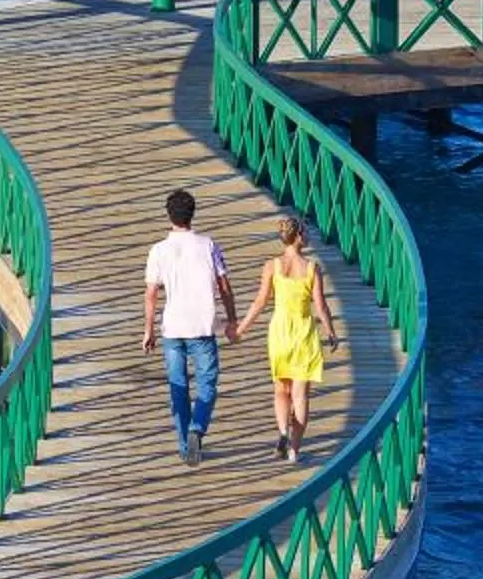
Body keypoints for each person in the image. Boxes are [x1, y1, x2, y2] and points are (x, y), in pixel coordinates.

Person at [235, 213, 339, 465]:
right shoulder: (313, 269)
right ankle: (294, 450)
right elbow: (321, 306)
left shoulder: (272, 266)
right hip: (303, 332)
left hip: (280, 331)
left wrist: (241, 329)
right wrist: (331, 332)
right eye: (307, 231)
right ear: (300, 237)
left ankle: (282, 431)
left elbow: (261, 301)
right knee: (301, 396)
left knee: (281, 389)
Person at [142, 188, 234, 464]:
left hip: (172, 327)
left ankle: (185, 446)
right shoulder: (208, 245)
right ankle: (198, 427)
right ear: (192, 214)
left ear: (168, 215)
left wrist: (148, 329)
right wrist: (231, 319)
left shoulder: (158, 250)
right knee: (207, 384)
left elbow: (151, 293)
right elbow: (224, 286)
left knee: (178, 387)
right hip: (202, 326)